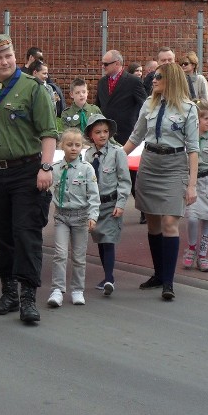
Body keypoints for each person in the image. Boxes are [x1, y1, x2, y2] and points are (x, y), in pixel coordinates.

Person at [0, 34, 57, 324]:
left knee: (26, 234)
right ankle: (8, 292)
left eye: (8, 55)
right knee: (1, 234)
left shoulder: (33, 88)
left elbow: (49, 132)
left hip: (26, 170)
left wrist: (46, 168)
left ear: (16, 57)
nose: (4, 61)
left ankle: (28, 298)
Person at [123, 62, 199, 300]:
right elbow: (135, 137)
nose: (153, 80)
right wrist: (113, 157)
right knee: (153, 223)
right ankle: (158, 274)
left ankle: (168, 281)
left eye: (158, 77)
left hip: (174, 165)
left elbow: (194, 149)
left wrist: (192, 184)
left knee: (169, 223)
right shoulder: (149, 104)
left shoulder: (188, 109)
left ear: (172, 80)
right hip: (150, 163)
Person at [47, 128, 100, 307]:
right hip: (61, 216)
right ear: (62, 146)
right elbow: (46, 189)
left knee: (78, 256)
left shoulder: (86, 169)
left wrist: (93, 216)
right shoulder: (54, 169)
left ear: (82, 147)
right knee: (60, 254)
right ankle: (57, 290)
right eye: (69, 145)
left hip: (81, 217)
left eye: (77, 145)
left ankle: (77, 289)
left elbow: (94, 195)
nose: (74, 148)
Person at [84, 113, 131, 296]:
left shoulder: (117, 152)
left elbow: (124, 180)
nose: (103, 135)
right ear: (91, 135)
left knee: (109, 241)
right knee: (100, 241)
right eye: (98, 132)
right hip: (95, 207)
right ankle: (106, 276)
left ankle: (110, 278)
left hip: (111, 204)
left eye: (105, 131)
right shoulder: (88, 155)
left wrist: (121, 203)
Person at [181, 100, 208, 272]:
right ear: (197, 120)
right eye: (205, 118)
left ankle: (203, 255)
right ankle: (191, 248)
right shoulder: (188, 139)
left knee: (207, 219)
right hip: (193, 182)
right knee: (192, 217)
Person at [97, 49, 147, 145]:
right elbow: (98, 106)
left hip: (126, 135)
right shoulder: (102, 82)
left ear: (117, 63)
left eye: (106, 64)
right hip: (105, 135)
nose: (103, 66)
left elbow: (145, 106)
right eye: (102, 64)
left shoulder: (134, 82)